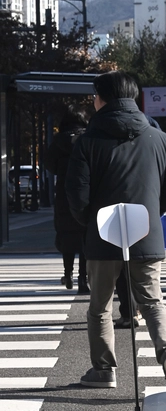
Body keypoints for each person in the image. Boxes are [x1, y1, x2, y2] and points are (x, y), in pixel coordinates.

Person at [65, 69, 166, 390]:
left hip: (103, 233)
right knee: (152, 302)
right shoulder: (158, 137)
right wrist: (149, 211)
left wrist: (90, 221)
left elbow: (76, 194)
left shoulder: (87, 141)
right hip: (145, 231)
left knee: (100, 307)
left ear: (103, 99)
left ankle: (104, 370)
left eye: (95, 96)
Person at [45, 106, 90, 294]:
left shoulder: (58, 140)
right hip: (84, 191)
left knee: (66, 234)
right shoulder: (87, 139)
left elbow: (49, 164)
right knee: (84, 236)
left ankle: (67, 273)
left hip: (63, 191)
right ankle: (83, 279)